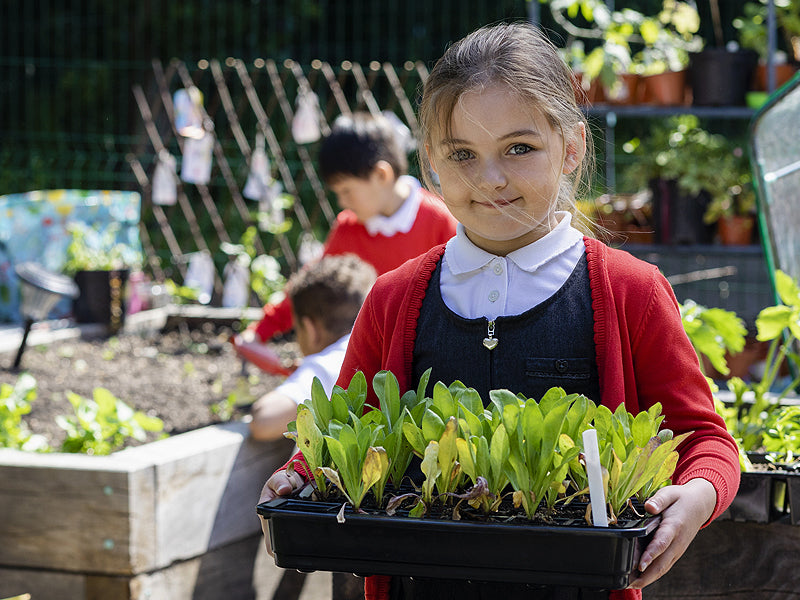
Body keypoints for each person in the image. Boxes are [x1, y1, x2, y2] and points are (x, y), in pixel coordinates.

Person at [259, 21, 741, 600]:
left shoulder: (628, 290)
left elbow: (702, 439)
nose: (489, 179)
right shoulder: (394, 297)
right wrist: (300, 477)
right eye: (462, 154)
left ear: (571, 148)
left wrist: (700, 493)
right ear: (432, 162)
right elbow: (344, 434)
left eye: (519, 148)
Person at [234, 111, 457, 365]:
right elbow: (312, 287)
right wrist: (259, 332)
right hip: (366, 358)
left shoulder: (440, 220)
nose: (342, 201)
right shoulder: (348, 228)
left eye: (346, 190)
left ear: (381, 175)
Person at [248, 253, 376, 441]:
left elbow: (265, 422)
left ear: (309, 329)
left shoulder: (330, 363)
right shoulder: (376, 345)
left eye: (296, 329)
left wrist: (312, 373)